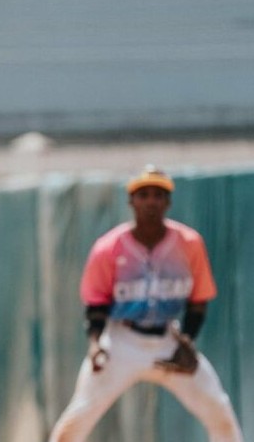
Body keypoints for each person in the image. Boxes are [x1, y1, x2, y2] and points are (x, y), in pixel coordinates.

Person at [48, 165, 243, 442]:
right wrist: (95, 344)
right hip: (122, 341)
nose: (151, 201)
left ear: (168, 202)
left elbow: (198, 301)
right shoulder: (109, 248)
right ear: (131, 201)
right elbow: (96, 305)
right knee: (76, 421)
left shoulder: (189, 243)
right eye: (144, 194)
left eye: (158, 195)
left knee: (219, 411)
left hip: (168, 339)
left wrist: (186, 341)